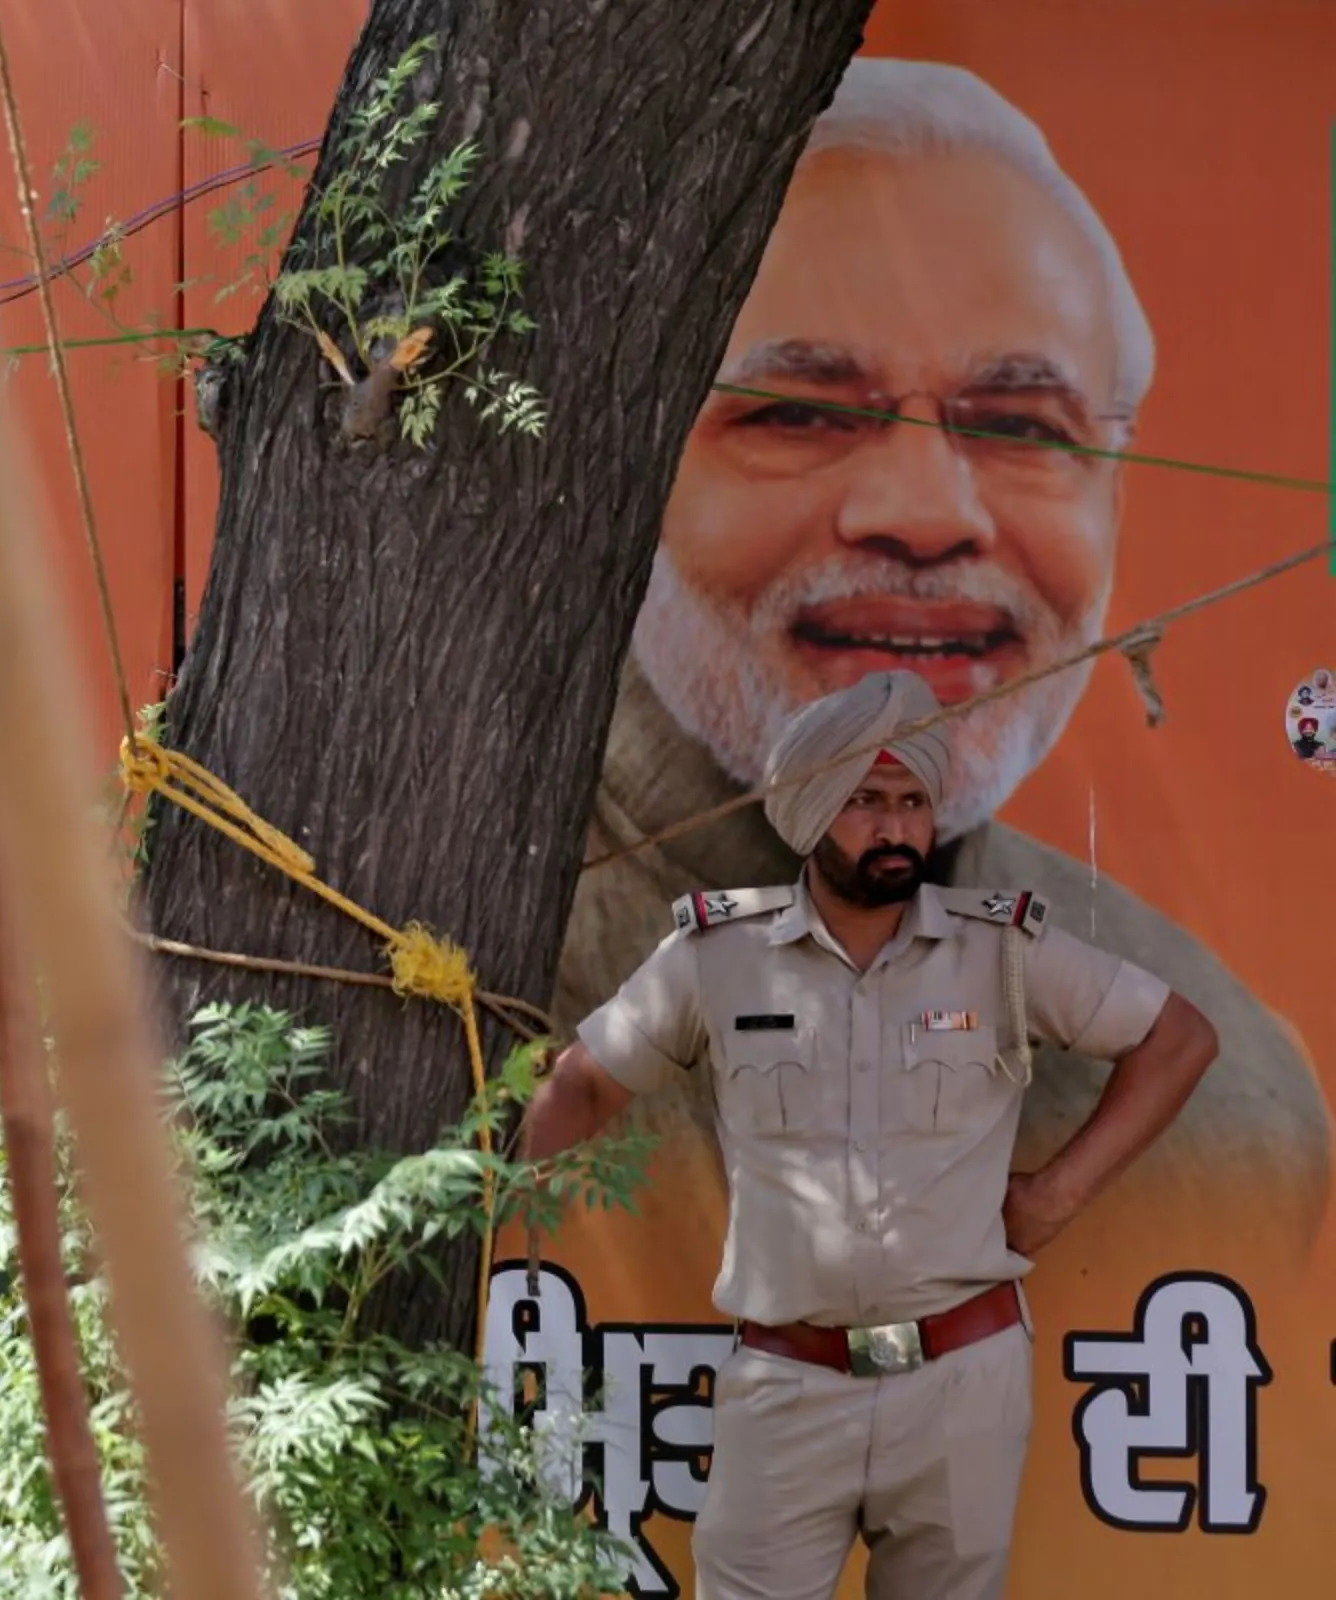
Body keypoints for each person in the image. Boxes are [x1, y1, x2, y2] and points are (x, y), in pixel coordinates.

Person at [553, 56, 1328, 1262]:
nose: (924, 513)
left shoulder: (1246, 1116)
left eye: (1021, 428)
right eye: (800, 411)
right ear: (630, 463)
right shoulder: (459, 942)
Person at [519, 672, 1218, 1599]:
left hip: (960, 1383)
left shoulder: (1002, 951)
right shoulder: (718, 957)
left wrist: (1053, 1196)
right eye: (865, 802)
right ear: (810, 814)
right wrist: (472, 1192)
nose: (895, 828)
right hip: (787, 1388)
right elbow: (589, 1085)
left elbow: (1177, 1041)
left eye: (912, 802)